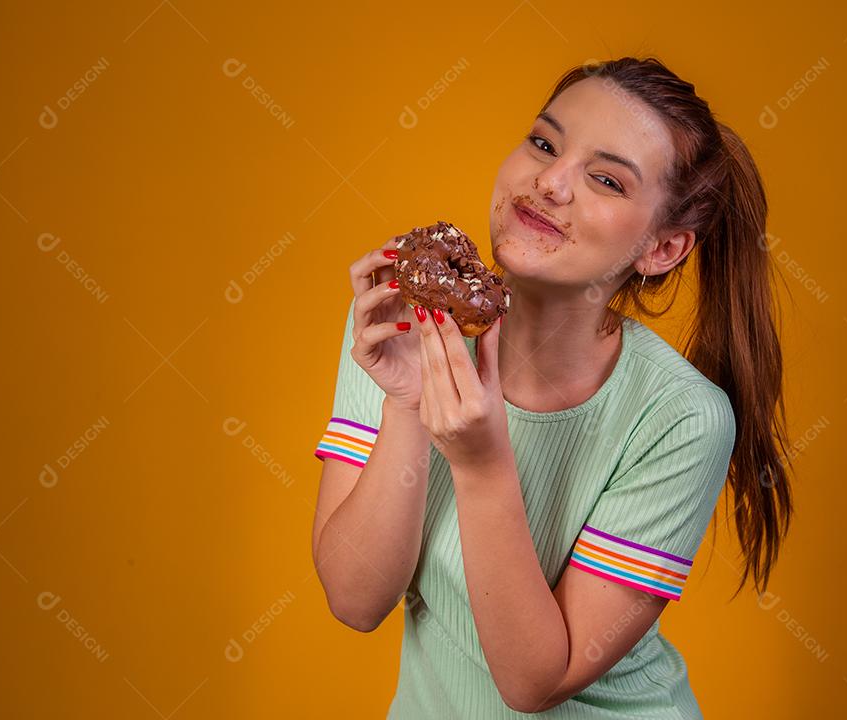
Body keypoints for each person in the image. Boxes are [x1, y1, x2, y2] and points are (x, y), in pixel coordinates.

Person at [311, 56, 794, 718]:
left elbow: (534, 682)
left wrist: (481, 463)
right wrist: (406, 404)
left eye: (605, 179)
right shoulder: (402, 322)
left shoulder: (681, 418)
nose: (550, 180)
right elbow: (354, 600)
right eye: (544, 142)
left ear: (663, 249)